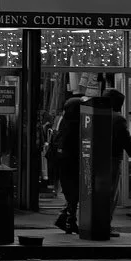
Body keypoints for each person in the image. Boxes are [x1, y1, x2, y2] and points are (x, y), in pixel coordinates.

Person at [44, 94, 85, 233]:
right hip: (71, 162)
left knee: (72, 193)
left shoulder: (64, 121)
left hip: (63, 162)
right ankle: (67, 219)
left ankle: (68, 219)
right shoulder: (75, 124)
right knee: (74, 193)